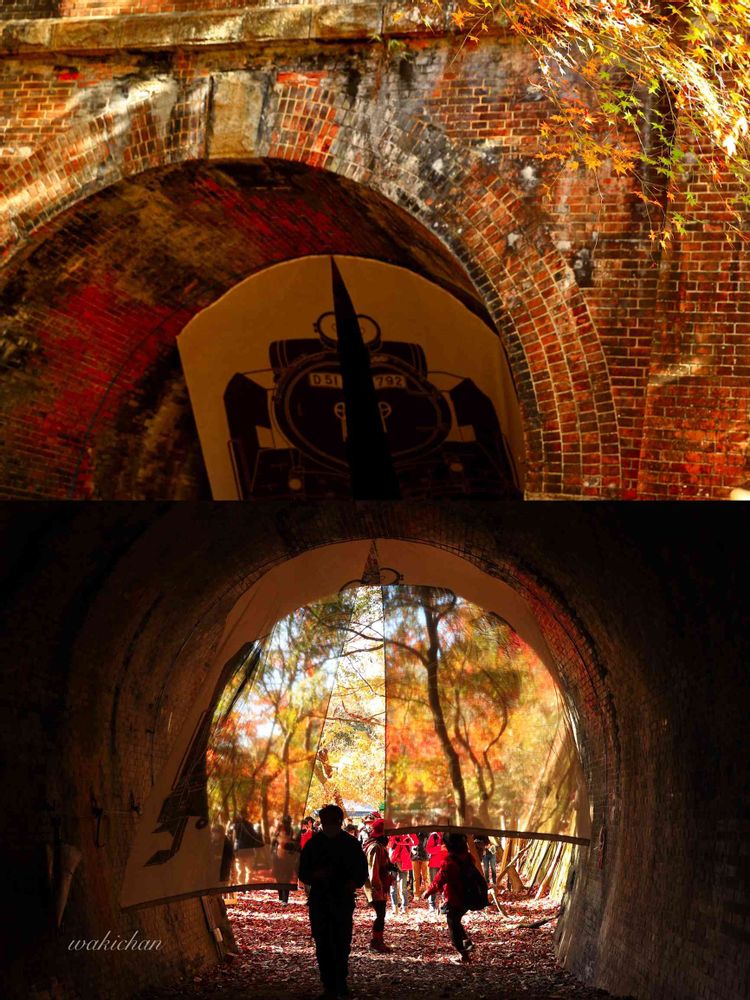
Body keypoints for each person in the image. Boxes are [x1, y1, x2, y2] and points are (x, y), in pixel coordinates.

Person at [298, 804, 368, 1000]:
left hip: (341, 899)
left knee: (341, 941)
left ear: (339, 821)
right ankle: (329, 984)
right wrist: (316, 875)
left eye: (332, 821)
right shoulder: (314, 844)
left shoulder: (350, 844)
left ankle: (340, 982)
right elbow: (303, 872)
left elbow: (362, 872)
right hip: (321, 899)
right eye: (326, 821)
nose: (329, 824)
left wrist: (352, 883)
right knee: (323, 942)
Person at [421, 832, 479, 964]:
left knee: (452, 922)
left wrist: (428, 892)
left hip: (455, 896)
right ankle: (467, 942)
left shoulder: (450, 861)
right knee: (456, 919)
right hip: (468, 895)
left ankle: (463, 953)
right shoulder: (468, 857)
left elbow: (440, 879)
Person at [362, 818, 394, 953]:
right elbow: (372, 869)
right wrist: (378, 887)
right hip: (376, 886)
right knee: (380, 915)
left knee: (382, 914)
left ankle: (378, 941)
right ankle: (376, 942)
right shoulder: (375, 847)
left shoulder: (379, 846)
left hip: (380, 885)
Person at [271, 815, 299, 903]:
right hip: (282, 856)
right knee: (282, 877)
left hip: (285, 856)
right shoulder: (282, 830)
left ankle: (283, 898)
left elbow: (273, 843)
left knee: (284, 877)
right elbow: (273, 842)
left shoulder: (289, 830)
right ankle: (283, 898)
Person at [387, 832, 415, 913]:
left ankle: (405, 907)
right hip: (393, 864)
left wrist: (402, 842)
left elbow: (413, 844)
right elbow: (389, 846)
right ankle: (395, 907)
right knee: (393, 887)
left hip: (404, 865)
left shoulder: (407, 838)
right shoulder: (392, 837)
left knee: (403, 887)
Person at [425, 830, 448, 916]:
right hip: (434, 864)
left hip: (445, 863)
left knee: (445, 885)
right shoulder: (434, 835)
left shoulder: (448, 835)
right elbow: (428, 849)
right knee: (433, 884)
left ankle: (445, 904)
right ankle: (432, 905)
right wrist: (439, 848)